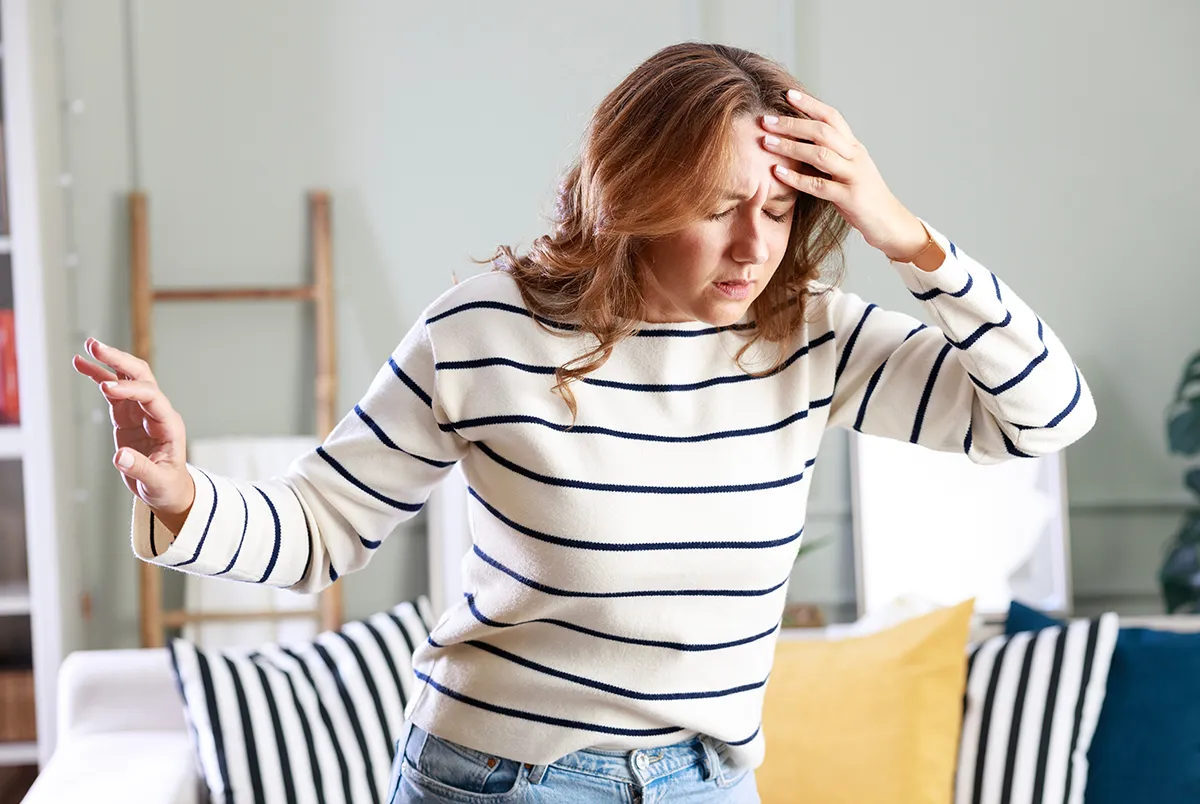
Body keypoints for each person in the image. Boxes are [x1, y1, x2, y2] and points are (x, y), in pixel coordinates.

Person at [73, 42, 1095, 803]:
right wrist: (181, 494)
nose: (754, 246)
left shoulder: (810, 338)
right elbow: (318, 532)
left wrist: (909, 238)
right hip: (499, 781)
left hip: (709, 783)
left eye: (782, 213)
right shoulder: (484, 331)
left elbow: (1043, 417)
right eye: (717, 205)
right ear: (636, 194)